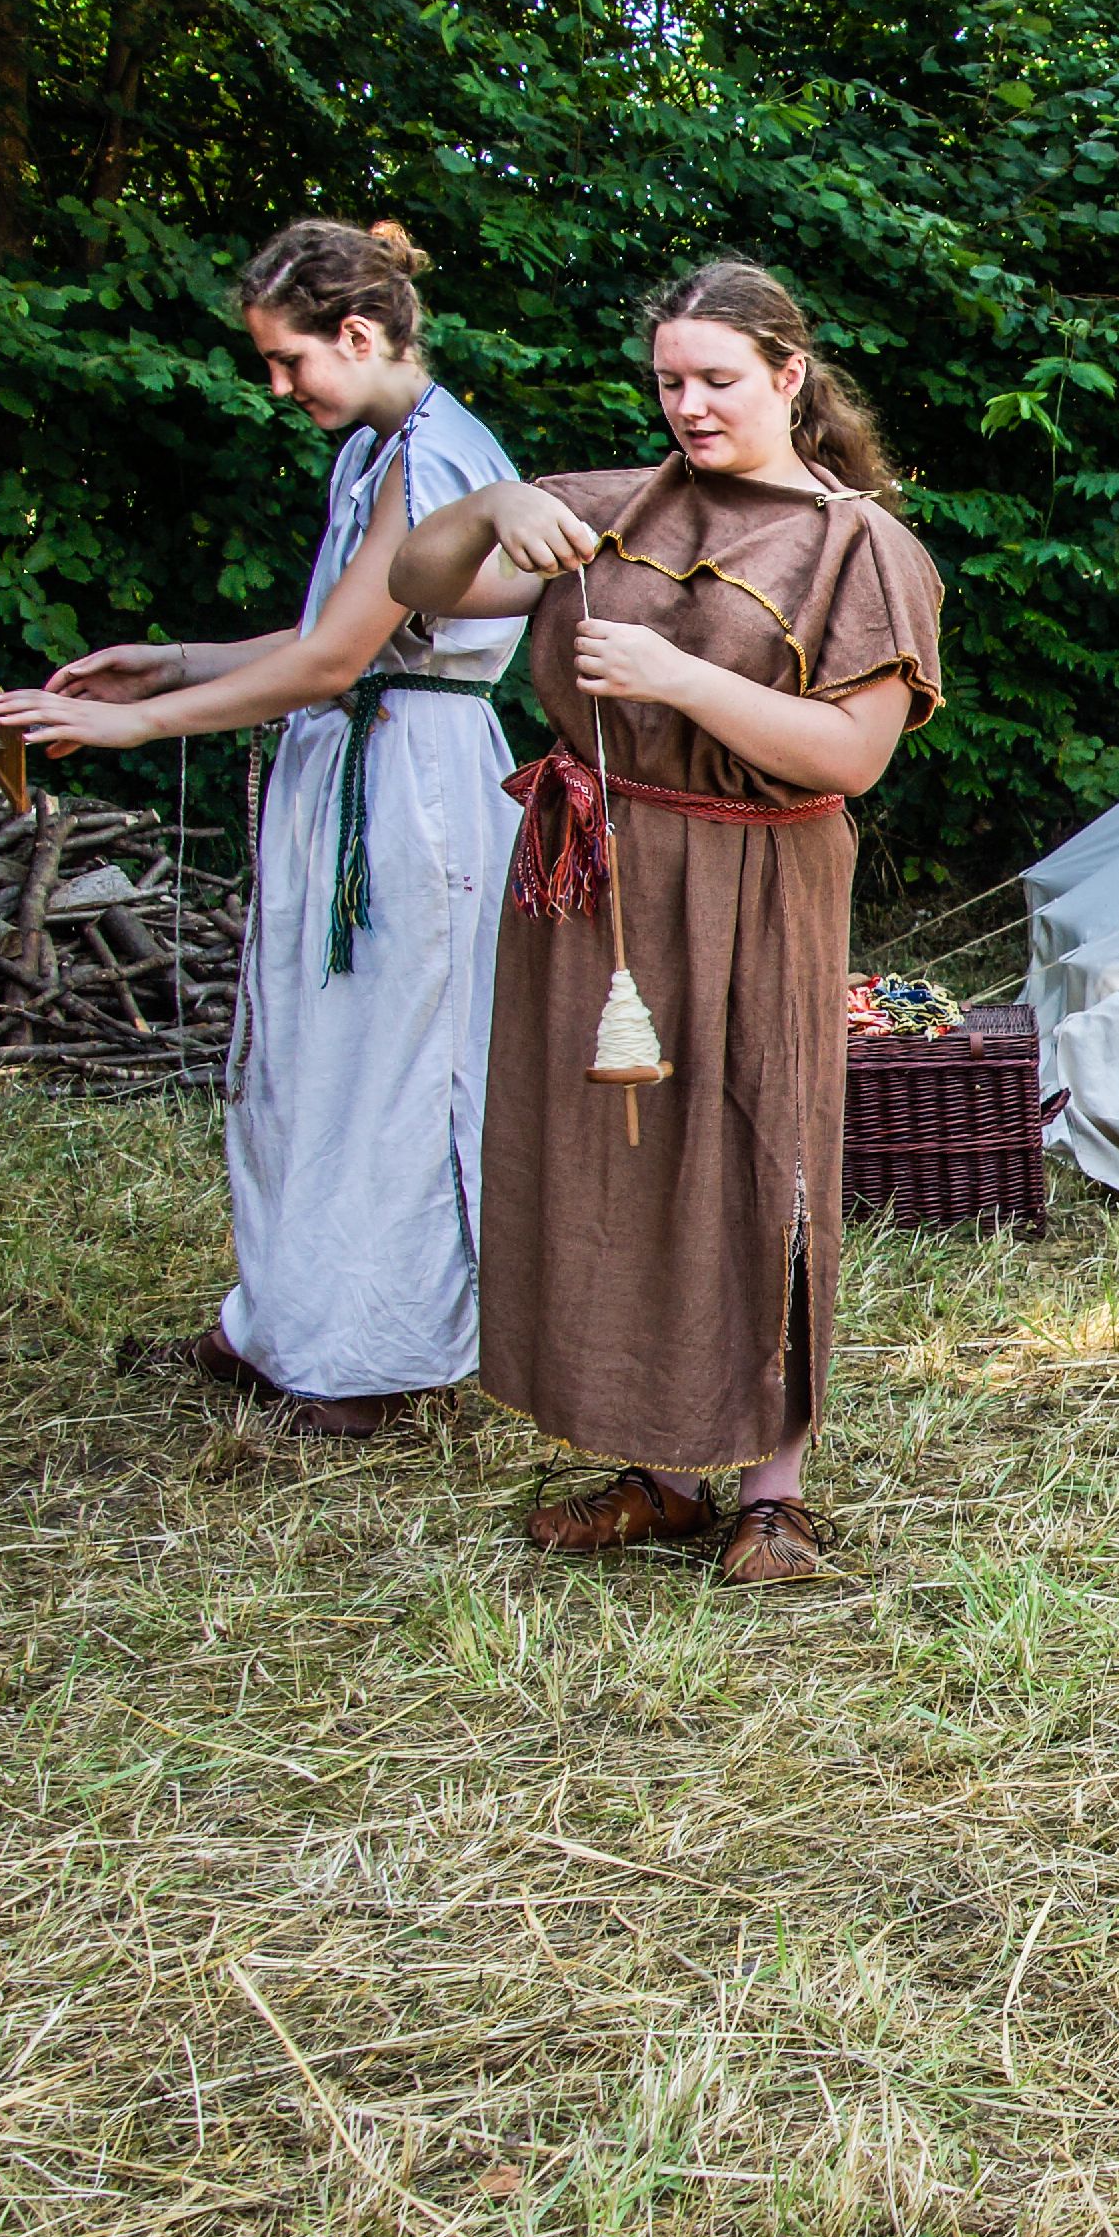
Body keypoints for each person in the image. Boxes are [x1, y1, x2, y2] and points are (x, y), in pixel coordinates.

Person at [386, 259, 943, 1584]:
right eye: (667, 381)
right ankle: (656, 1469)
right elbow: (421, 578)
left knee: (754, 1156)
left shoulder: (856, 549)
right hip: (599, 875)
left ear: (788, 376)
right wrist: (495, 503)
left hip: (755, 877)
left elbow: (847, 754)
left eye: (717, 380)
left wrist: (674, 676)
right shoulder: (612, 505)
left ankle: (772, 1491)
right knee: (617, 1166)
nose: (688, 405)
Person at [0, 218, 523, 1437]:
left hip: (411, 785)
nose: (277, 387)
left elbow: (338, 658)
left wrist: (142, 729)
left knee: (391, 1064)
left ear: (361, 333)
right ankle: (284, 1319)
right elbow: (317, 640)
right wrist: (166, 661)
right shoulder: (370, 452)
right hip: (350, 765)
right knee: (306, 1057)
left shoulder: (438, 459)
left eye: (290, 361)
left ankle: (370, 1358)